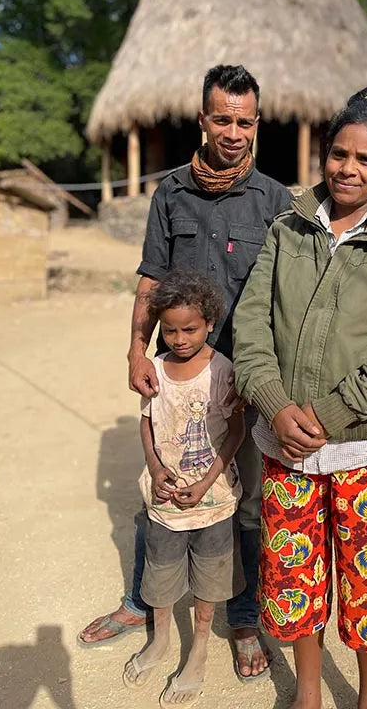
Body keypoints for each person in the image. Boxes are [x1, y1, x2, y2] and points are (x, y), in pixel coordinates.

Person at [79, 64, 292, 681]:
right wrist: (135, 350)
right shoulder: (170, 192)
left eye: (244, 120)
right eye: (221, 118)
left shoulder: (276, 200)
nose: (233, 130)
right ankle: (144, 603)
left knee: (245, 503)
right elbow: (151, 277)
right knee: (162, 492)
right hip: (175, 376)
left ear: (257, 122)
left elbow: (287, 293)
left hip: (244, 377)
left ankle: (245, 616)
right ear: (202, 119)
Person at [232, 88, 367, 709]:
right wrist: (273, 402)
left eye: (366, 161)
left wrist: (325, 414)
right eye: (338, 154)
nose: (347, 169)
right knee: (296, 575)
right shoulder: (287, 228)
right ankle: (307, 693)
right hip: (285, 442)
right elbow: (252, 325)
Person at [122, 269, 245, 705]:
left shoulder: (223, 371)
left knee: (210, 580)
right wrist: (155, 469)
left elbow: (235, 432)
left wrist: (209, 479)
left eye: (189, 329)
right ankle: (160, 641)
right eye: (170, 330)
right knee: (160, 574)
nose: (179, 338)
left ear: (210, 322)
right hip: (165, 501)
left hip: (213, 501)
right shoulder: (153, 370)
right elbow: (146, 425)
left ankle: (199, 650)